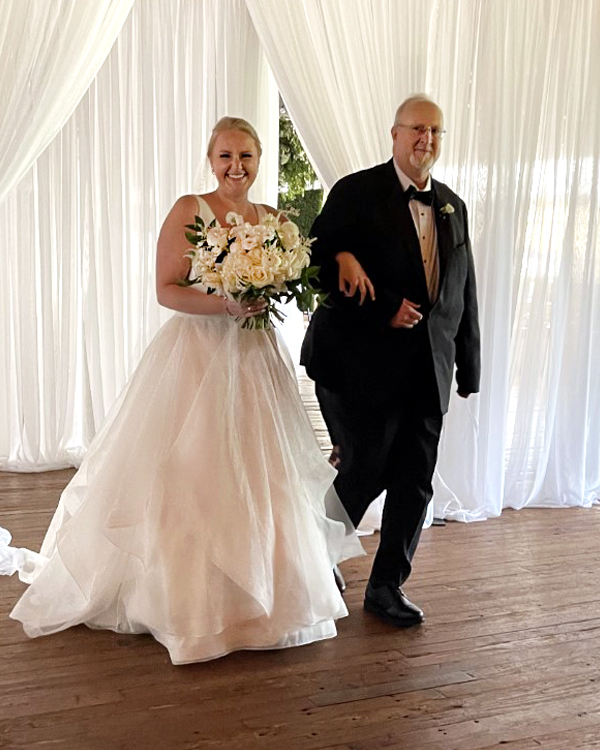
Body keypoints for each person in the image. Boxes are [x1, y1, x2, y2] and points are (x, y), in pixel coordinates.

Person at [8, 116, 363, 664]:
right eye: (225, 156)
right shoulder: (188, 210)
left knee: (261, 474)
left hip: (253, 357)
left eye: (245, 156)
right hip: (196, 355)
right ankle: (188, 606)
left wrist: (265, 292)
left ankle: (269, 599)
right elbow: (166, 290)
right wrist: (225, 303)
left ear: (259, 158)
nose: (235, 167)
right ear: (211, 158)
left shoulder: (270, 219)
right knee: (194, 473)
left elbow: (287, 280)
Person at [301, 95, 480, 628]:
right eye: (417, 129)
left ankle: (386, 586)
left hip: (429, 369)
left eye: (435, 131)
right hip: (359, 364)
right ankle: (316, 556)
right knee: (363, 468)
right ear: (395, 134)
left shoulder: (453, 205)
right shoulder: (355, 192)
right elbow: (312, 264)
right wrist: (380, 306)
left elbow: (462, 291)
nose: (426, 139)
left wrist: (467, 364)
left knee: (416, 481)